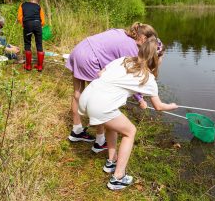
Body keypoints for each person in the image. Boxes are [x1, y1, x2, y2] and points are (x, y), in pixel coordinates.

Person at [78, 37, 178, 190]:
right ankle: (118, 177)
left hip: (87, 96)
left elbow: (100, 73)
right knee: (130, 131)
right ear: (157, 59)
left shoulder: (124, 60)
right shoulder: (148, 78)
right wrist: (172, 106)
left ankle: (111, 161)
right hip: (100, 105)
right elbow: (158, 106)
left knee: (112, 125)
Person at [66, 22, 157, 153]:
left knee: (77, 93)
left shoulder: (121, 32)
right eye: (150, 41)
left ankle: (77, 131)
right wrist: (140, 99)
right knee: (99, 98)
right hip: (89, 58)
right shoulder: (132, 48)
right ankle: (100, 140)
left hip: (78, 50)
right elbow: (133, 76)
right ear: (143, 38)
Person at [18, 0, 45, 71]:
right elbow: (42, 21)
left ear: (30, 0)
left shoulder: (23, 5)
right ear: (37, 1)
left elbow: (20, 17)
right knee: (39, 44)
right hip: (37, 25)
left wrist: (24, 25)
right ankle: (39, 66)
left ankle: (28, 66)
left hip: (28, 25)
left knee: (27, 43)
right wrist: (39, 25)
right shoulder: (39, 7)